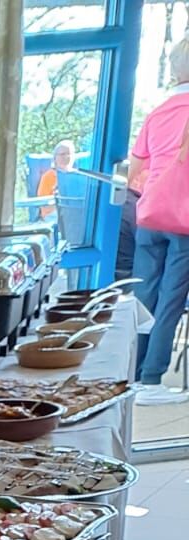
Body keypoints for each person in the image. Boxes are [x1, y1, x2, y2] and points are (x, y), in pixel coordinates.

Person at [130, 37, 189, 405]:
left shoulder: (158, 112)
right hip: (184, 220)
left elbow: (135, 170)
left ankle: (133, 374)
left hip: (150, 215)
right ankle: (152, 381)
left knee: (144, 296)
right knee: (171, 299)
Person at [36, 140, 75, 221]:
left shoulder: (77, 176)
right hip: (53, 215)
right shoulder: (47, 177)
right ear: (55, 158)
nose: (66, 157)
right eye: (62, 154)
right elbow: (44, 205)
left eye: (69, 154)